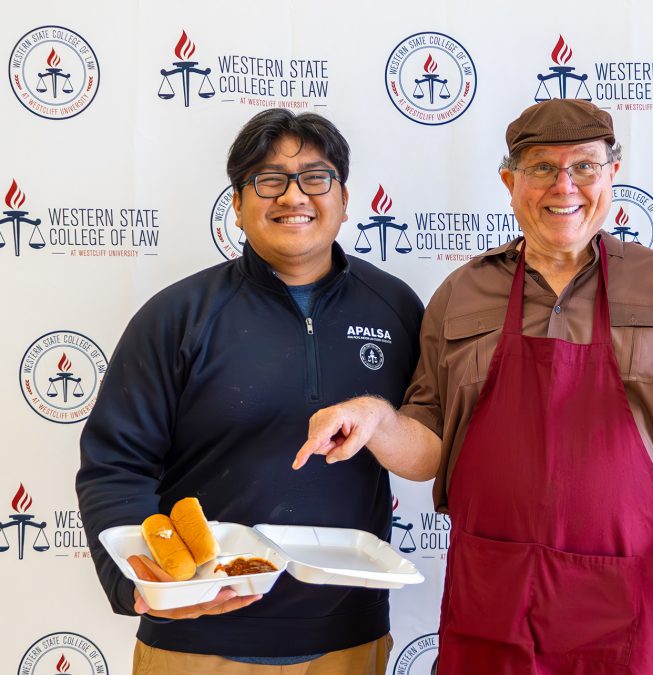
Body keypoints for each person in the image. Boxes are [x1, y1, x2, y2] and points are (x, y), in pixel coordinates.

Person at [292, 98, 653, 674]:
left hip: (631, 602)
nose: (564, 186)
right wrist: (376, 420)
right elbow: (428, 451)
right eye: (542, 167)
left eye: (585, 167)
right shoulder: (461, 294)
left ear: (612, 174)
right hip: (496, 600)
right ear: (509, 181)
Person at [76, 109, 423, 674]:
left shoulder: (397, 309)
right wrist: (141, 582)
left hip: (348, 640)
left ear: (344, 197)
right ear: (237, 205)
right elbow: (116, 462)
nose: (294, 196)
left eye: (316, 177)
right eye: (269, 181)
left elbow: (429, 440)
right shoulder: (178, 316)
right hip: (195, 638)